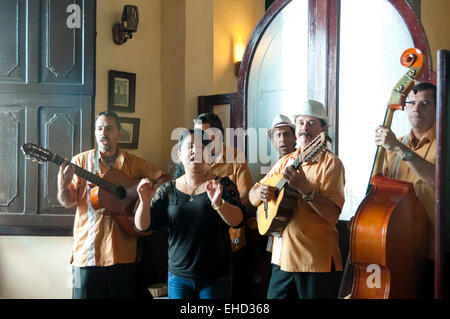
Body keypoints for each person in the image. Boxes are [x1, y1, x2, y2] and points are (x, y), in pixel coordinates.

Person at [57, 110, 167, 299]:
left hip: (123, 252)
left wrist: (143, 200)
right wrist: (61, 185)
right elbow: (67, 202)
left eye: (109, 128)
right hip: (87, 253)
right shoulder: (80, 162)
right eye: (99, 128)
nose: (103, 133)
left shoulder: (133, 162)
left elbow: (163, 178)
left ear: (119, 134)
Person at [249, 99, 345, 299]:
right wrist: (259, 194)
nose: (304, 128)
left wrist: (306, 190)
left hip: (315, 262)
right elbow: (252, 195)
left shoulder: (332, 164)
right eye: (301, 123)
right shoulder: (284, 161)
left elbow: (332, 215)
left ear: (323, 129)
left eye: (312, 123)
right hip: (281, 260)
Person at [134, 129, 246, 299]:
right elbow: (143, 226)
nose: (196, 151)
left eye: (201, 147)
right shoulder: (168, 189)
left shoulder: (222, 185)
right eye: (190, 147)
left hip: (216, 278)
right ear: (179, 154)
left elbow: (238, 220)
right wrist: (144, 202)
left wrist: (218, 203)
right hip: (178, 278)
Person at [375, 82, 436, 297]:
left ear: (437, 108)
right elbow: (379, 190)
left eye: (425, 104)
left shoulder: (443, 143)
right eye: (411, 103)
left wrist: (400, 149)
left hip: (432, 250)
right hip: (399, 247)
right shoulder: (395, 143)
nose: (416, 109)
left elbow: (438, 181)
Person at [193, 113, 254, 297]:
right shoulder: (191, 158)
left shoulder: (235, 157)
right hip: (198, 242)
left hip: (230, 238)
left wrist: (222, 208)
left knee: (231, 292)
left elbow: (245, 195)